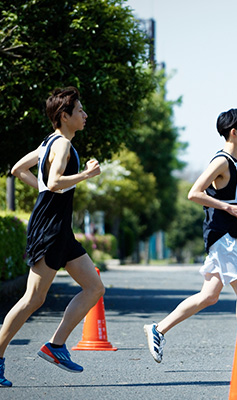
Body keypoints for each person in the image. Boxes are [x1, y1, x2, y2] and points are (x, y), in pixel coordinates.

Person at [1, 87, 105, 387]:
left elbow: (18, 169)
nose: (85, 115)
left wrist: (43, 188)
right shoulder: (60, 145)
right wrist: (85, 176)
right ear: (64, 116)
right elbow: (57, 181)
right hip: (49, 228)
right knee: (33, 299)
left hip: (59, 229)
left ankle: (56, 346)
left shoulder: (49, 143)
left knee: (94, 287)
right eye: (80, 111)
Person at [144, 108, 237, 363]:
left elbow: (229, 196)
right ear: (234, 132)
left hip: (233, 233)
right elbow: (194, 193)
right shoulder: (220, 160)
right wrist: (227, 207)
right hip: (222, 234)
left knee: (209, 296)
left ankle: (158, 329)